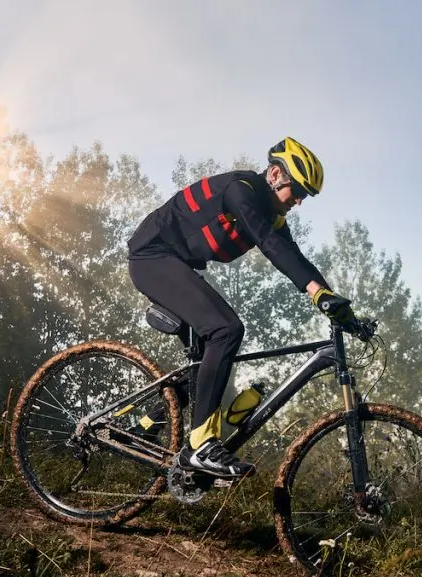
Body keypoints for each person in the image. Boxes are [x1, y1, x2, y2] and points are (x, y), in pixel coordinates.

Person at [126, 136, 357, 478]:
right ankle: (200, 446)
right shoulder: (242, 190)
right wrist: (314, 293)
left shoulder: (272, 213)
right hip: (151, 257)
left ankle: (145, 426)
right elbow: (269, 243)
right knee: (226, 329)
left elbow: (295, 257)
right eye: (297, 191)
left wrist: (339, 308)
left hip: (175, 263)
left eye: (305, 196)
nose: (299, 201)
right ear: (276, 174)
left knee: (209, 364)